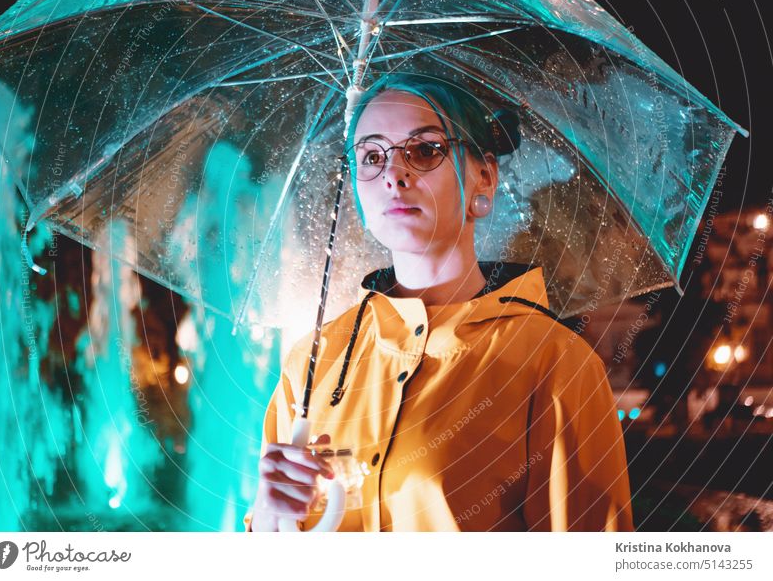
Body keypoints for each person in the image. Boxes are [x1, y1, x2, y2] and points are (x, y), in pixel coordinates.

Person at [243, 73, 634, 531]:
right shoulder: (309, 364)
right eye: (371, 156)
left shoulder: (554, 364)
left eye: (425, 150)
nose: (393, 174)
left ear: (483, 178)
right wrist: (268, 522)